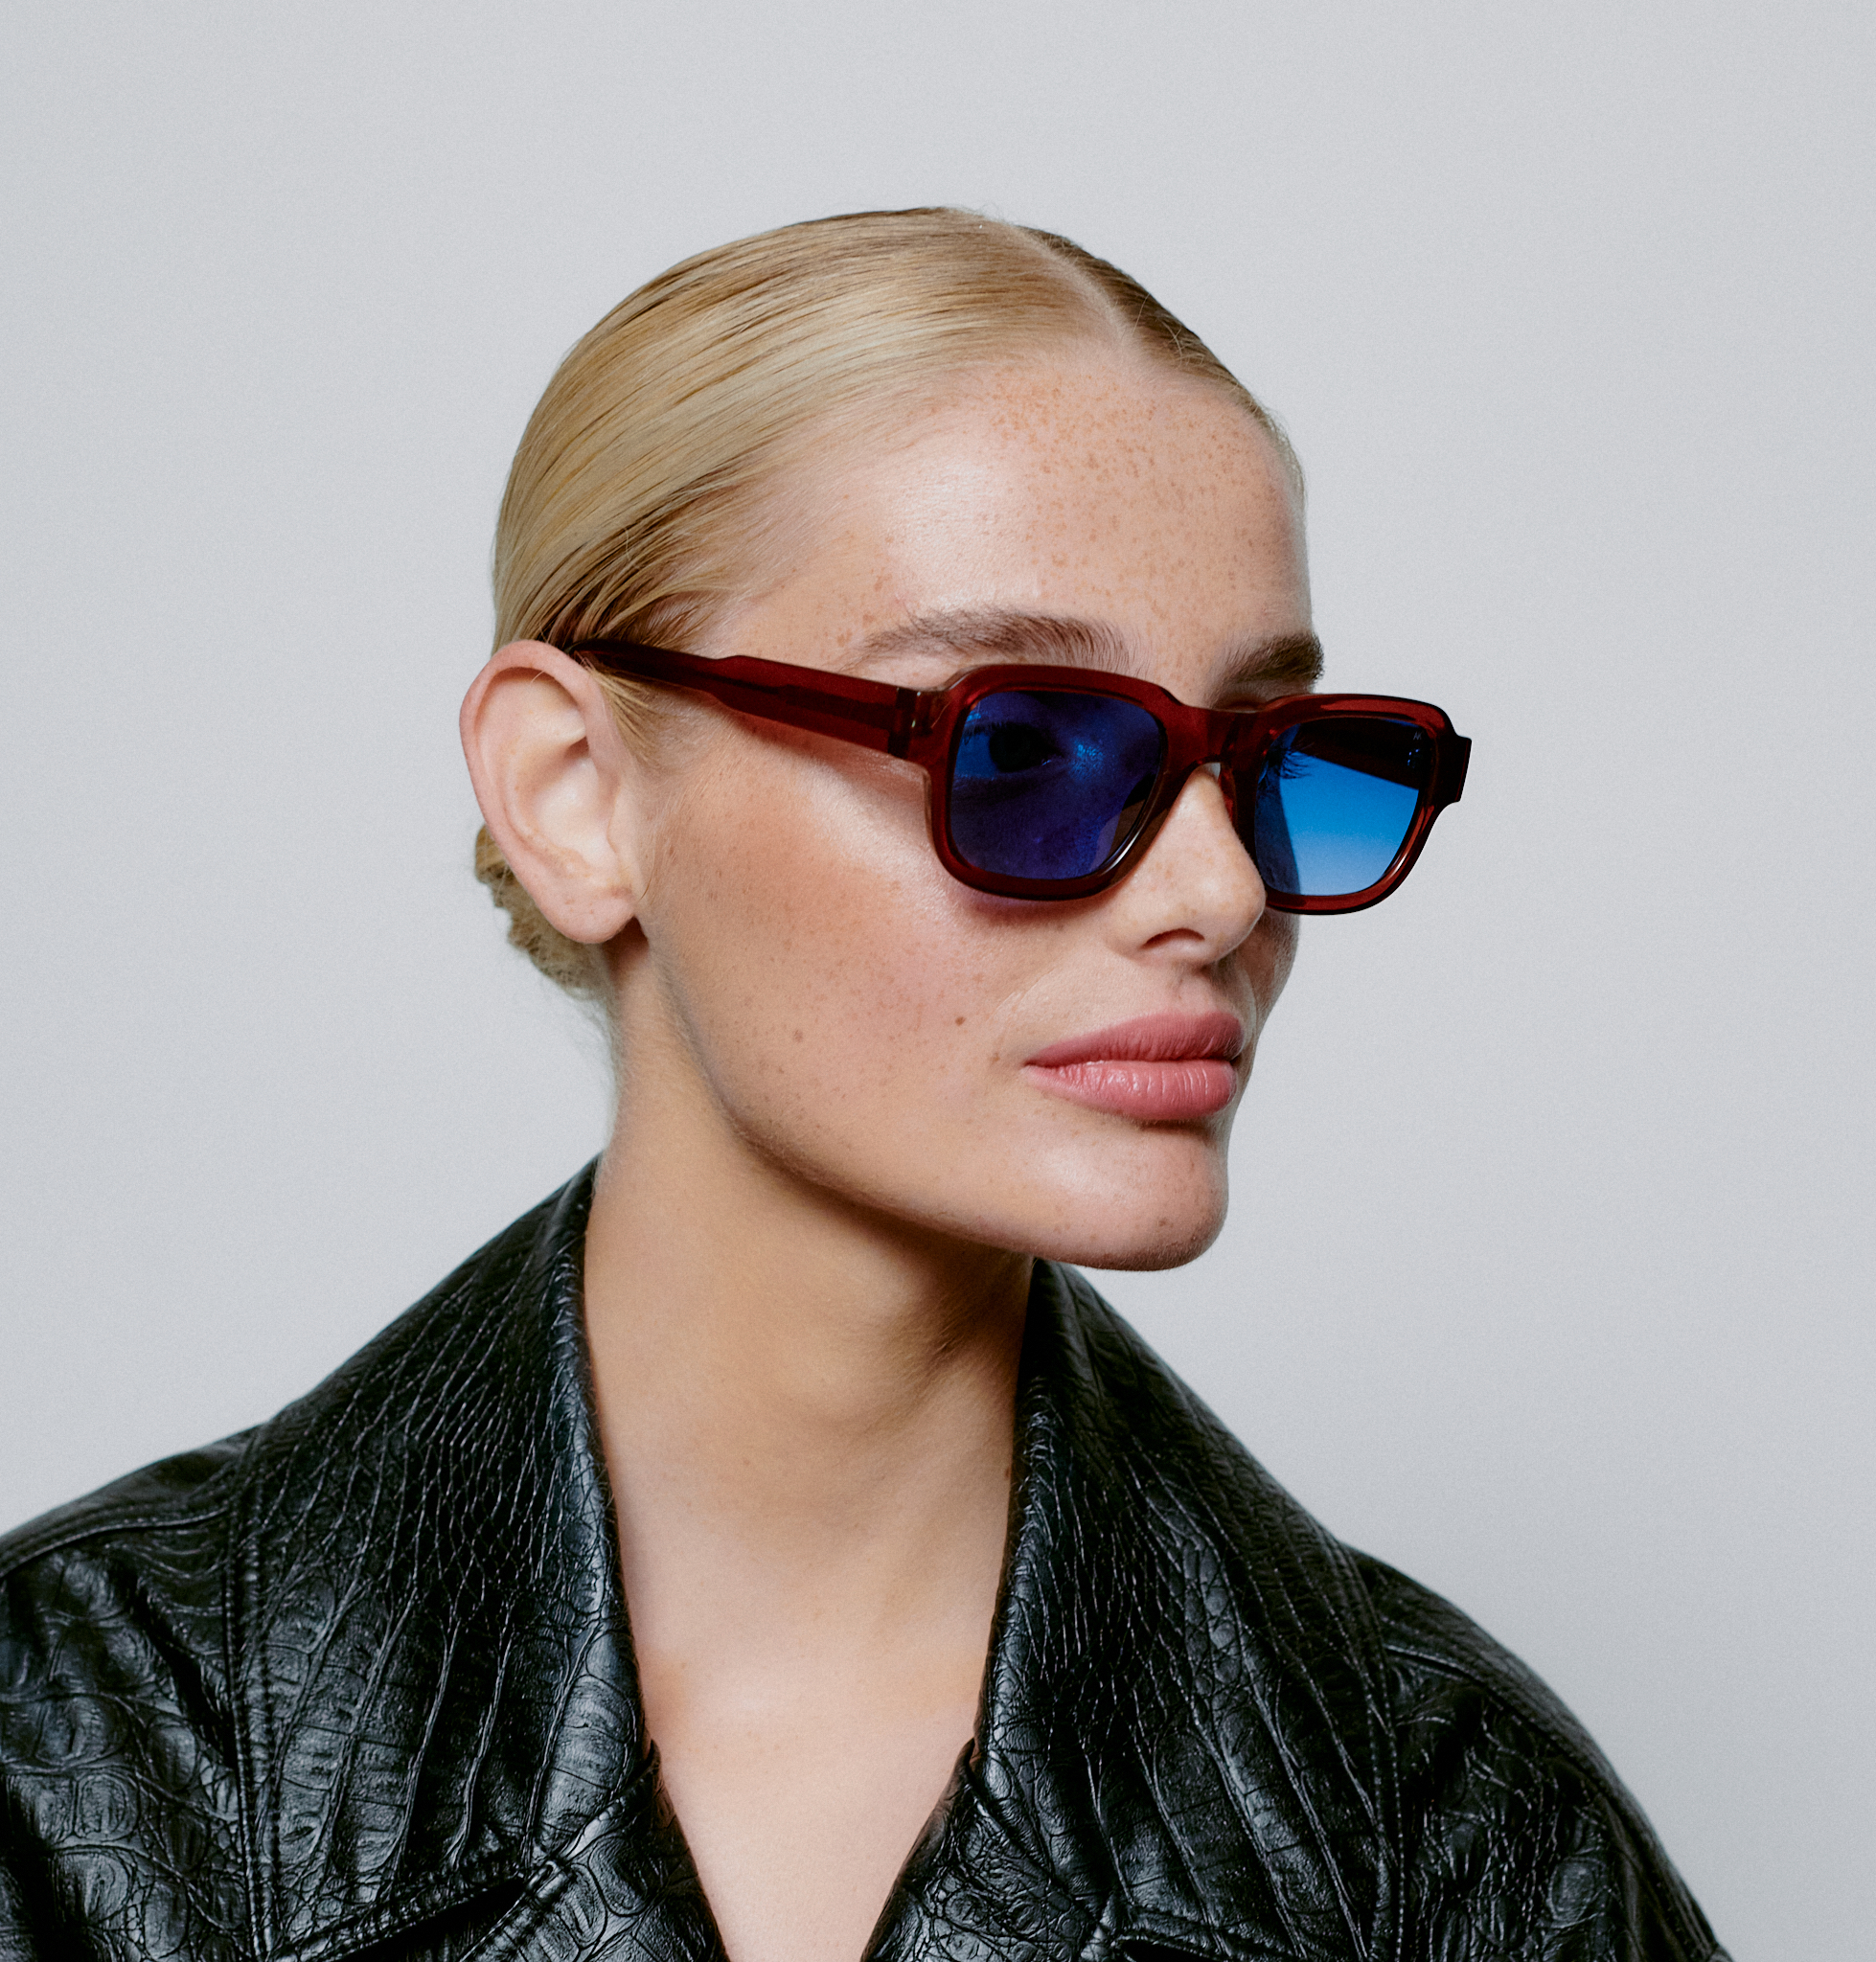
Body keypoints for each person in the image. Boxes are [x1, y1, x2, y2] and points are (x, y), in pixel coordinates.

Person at [0, 209, 1725, 1962]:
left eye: (1276, 760)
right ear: (576, 792)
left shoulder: (1467, 1841)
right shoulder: (62, 1757)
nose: (1218, 894)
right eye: (1023, 747)